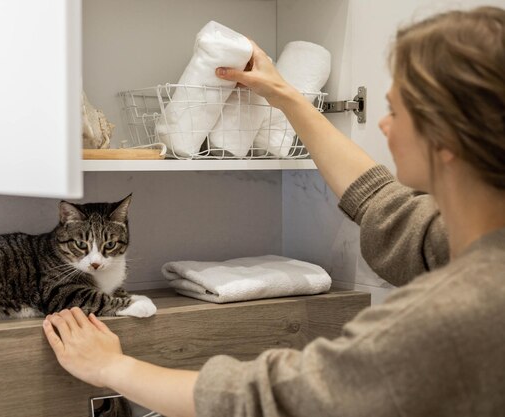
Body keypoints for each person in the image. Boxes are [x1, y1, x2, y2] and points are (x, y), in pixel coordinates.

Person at [43, 6, 505, 417]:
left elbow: (273, 398)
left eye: (395, 111)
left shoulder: (453, 316)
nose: (382, 125)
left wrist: (111, 367)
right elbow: (385, 205)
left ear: (447, 138)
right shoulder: (469, 249)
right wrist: (284, 95)